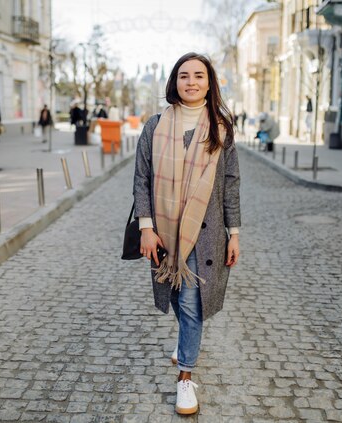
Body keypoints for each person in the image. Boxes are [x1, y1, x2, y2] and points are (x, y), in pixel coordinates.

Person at [133, 52, 241, 416]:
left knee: (192, 304)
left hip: (205, 231)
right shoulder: (155, 125)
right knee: (179, 298)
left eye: (198, 75)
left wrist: (234, 232)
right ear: (174, 82)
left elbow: (230, 184)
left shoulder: (222, 128)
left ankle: (184, 378)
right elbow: (142, 179)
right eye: (184, 75)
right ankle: (185, 343)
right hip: (164, 231)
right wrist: (145, 227)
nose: (191, 81)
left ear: (210, 82)